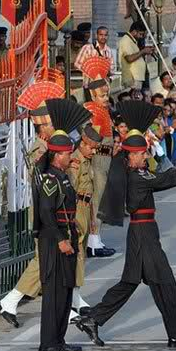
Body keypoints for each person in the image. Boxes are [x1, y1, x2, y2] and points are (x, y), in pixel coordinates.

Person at [75, 101, 176, 349]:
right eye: (141, 154)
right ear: (131, 156)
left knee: (130, 284)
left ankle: (94, 318)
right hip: (143, 235)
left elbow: (158, 175)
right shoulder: (135, 176)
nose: (145, 156)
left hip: (145, 232)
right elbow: (165, 179)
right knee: (166, 283)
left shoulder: (138, 172)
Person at [0, 81, 62, 328]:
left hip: (56, 207)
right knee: (43, 259)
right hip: (44, 209)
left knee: (56, 260)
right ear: (43, 126)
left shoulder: (52, 144)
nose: (54, 126)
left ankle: (74, 306)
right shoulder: (40, 147)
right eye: (51, 123)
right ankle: (10, 301)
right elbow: (38, 177)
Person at [35, 98, 92, 351]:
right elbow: (46, 213)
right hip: (54, 242)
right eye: (68, 152)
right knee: (54, 297)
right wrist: (60, 239)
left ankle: (59, 342)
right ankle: (48, 346)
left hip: (67, 240)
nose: (72, 155)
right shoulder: (50, 180)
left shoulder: (63, 177)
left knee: (65, 295)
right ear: (58, 155)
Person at [66, 124, 103, 323]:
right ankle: (71, 299)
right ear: (83, 144)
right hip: (75, 209)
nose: (93, 151)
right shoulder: (75, 162)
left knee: (81, 256)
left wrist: (91, 220)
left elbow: (89, 193)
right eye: (91, 147)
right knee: (74, 254)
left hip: (85, 208)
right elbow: (70, 192)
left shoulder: (87, 161)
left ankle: (76, 296)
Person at [80, 56, 117, 258]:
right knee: (97, 199)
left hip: (106, 158)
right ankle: (93, 241)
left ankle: (96, 239)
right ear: (93, 94)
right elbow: (90, 138)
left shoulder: (102, 110)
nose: (105, 98)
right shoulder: (92, 111)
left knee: (100, 199)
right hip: (98, 160)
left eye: (106, 95)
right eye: (102, 95)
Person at [118, 21, 154, 90]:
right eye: (140, 34)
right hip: (132, 78)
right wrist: (143, 51)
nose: (141, 37)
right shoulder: (126, 41)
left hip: (136, 77)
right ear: (134, 32)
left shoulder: (132, 41)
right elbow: (129, 58)